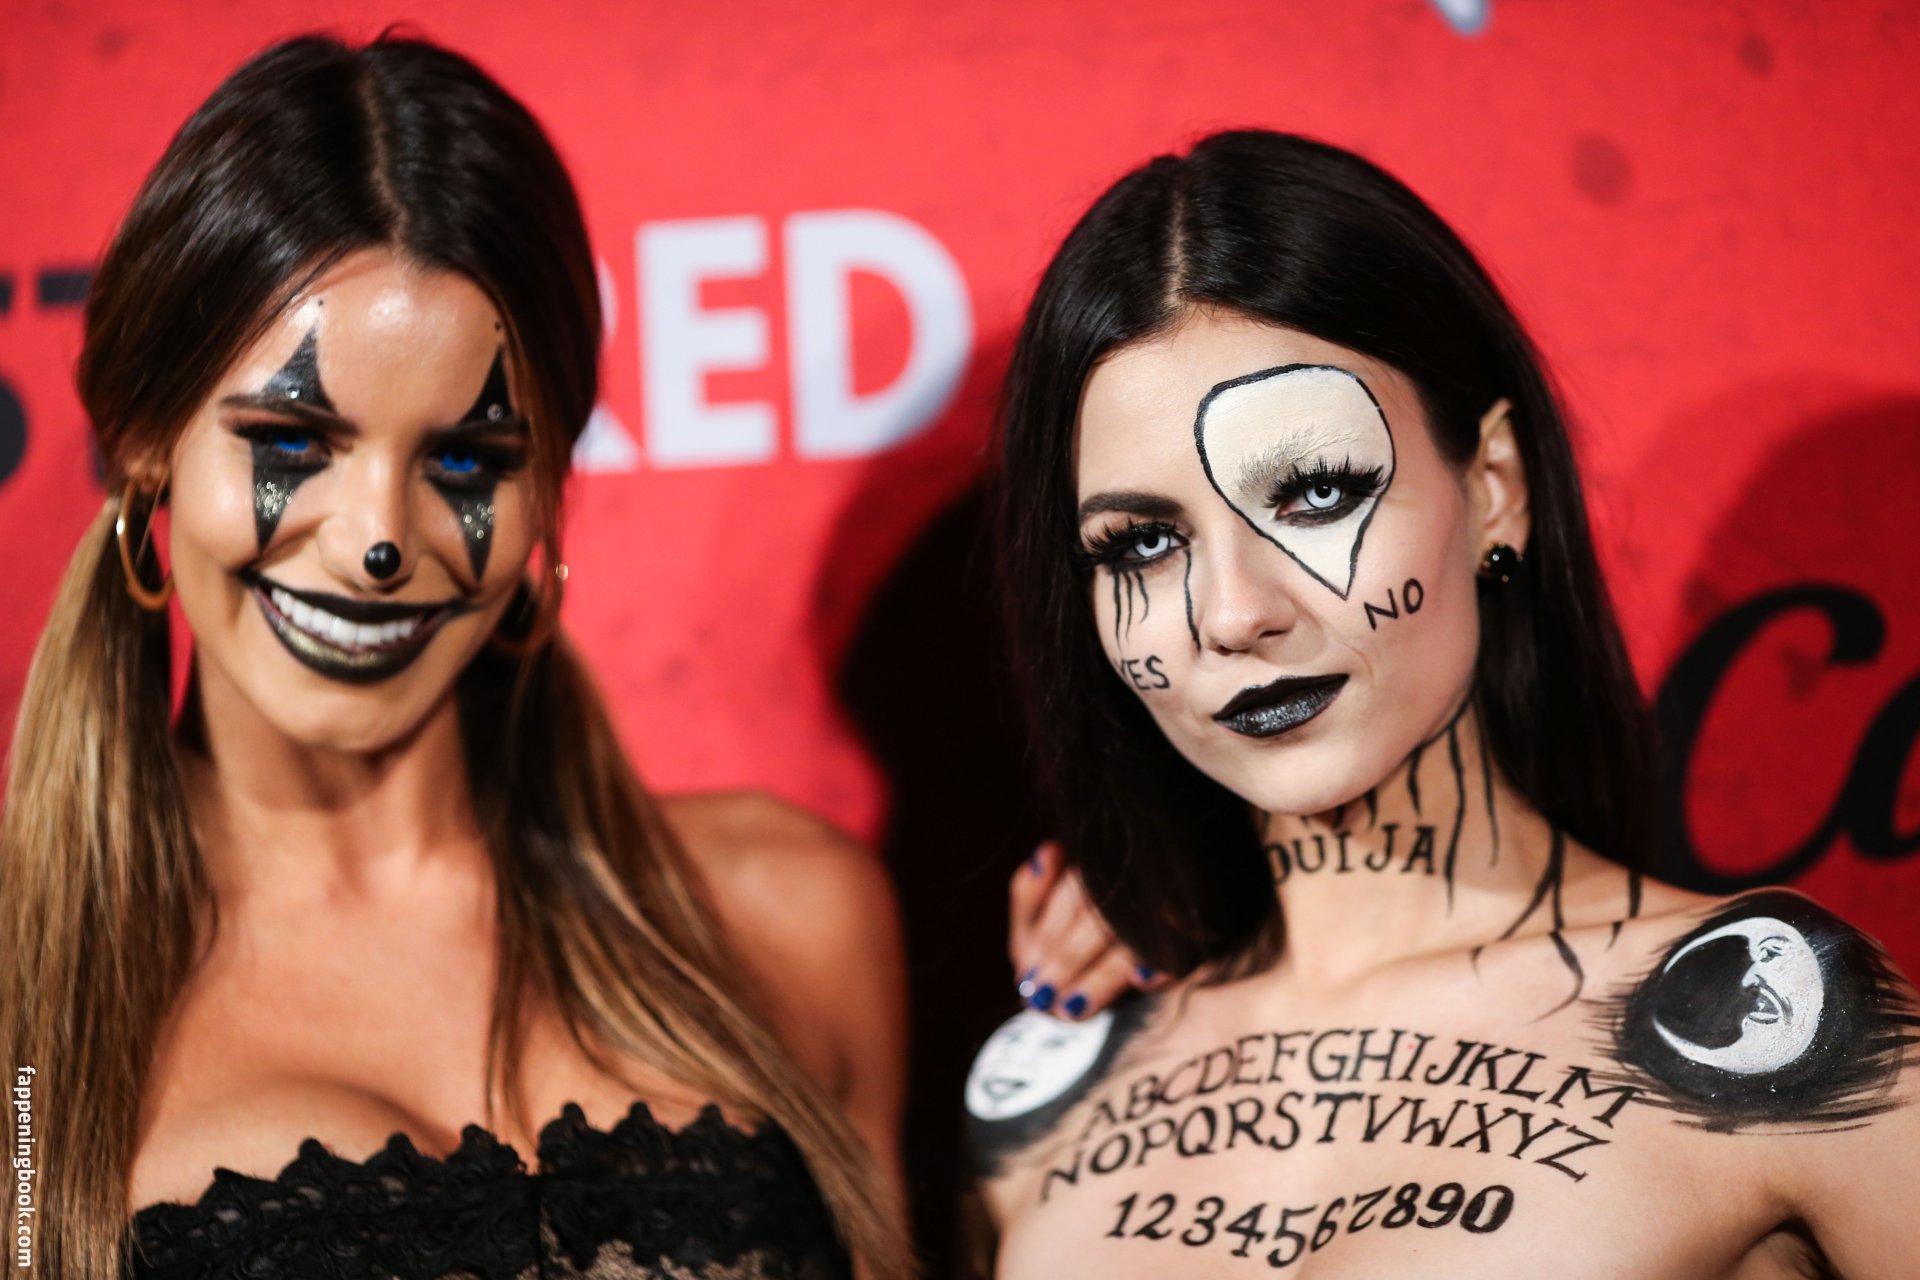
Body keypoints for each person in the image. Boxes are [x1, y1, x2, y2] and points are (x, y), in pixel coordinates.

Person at [0, 35, 915, 1280]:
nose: (379, 539)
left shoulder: (790, 915)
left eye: (468, 460)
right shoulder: (30, 1009)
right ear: (146, 441)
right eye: (293, 439)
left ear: (551, 486)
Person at [969, 129, 1920, 1278]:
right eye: (1142, 542)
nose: (1233, 611)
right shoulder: (1046, 1107)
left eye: (1316, 491)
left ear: (1495, 490)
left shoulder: (1783, 1024)